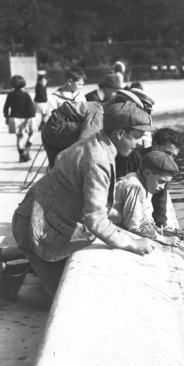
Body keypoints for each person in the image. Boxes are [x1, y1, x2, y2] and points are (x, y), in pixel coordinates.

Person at [12, 100, 154, 298]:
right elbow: (95, 219)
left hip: (34, 218)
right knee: (62, 299)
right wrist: (131, 243)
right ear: (120, 133)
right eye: (137, 137)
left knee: (53, 283)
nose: (139, 143)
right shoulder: (98, 159)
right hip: (38, 229)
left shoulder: (95, 142)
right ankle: (5, 286)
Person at [110, 151, 181, 248]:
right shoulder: (136, 187)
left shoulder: (133, 177)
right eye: (161, 181)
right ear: (147, 173)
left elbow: (140, 215)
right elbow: (135, 225)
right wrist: (163, 239)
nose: (162, 187)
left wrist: (154, 228)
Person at [115, 128, 184, 228]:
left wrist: (161, 224)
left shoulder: (165, 164)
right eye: (167, 153)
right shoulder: (133, 157)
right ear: (155, 145)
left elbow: (160, 197)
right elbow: (121, 187)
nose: (169, 159)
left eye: (174, 156)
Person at [3, 75, 36, 162]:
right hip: (26, 118)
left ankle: (21, 156)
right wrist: (30, 117)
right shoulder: (26, 95)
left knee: (19, 137)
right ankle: (26, 151)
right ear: (23, 84)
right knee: (31, 134)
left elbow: (6, 107)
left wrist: (7, 117)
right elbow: (31, 108)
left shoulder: (10, 95)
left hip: (14, 118)